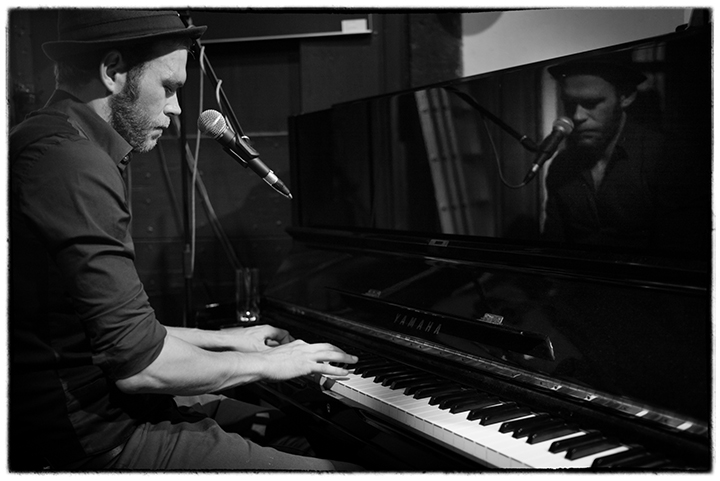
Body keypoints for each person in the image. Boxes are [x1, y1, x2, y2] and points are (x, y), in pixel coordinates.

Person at [9, 9, 360, 471]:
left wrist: (233, 341)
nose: (177, 110)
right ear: (113, 71)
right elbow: (141, 366)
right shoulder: (70, 164)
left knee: (305, 433)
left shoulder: (53, 140)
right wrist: (270, 364)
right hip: (101, 438)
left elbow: (121, 334)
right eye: (170, 87)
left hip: (117, 411)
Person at [541, 56, 710, 256]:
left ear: (626, 97)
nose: (577, 116)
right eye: (570, 104)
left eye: (592, 103)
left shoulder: (667, 156)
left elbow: (680, 251)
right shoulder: (561, 165)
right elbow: (554, 245)